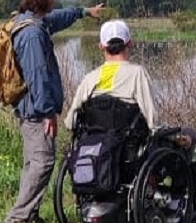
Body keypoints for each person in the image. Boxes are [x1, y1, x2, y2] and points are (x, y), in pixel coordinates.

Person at [3, 0, 104, 223]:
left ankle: (29, 214)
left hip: (31, 109)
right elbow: (38, 76)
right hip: (36, 111)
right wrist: (48, 112)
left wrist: (83, 12)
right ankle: (18, 218)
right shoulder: (33, 34)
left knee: (33, 163)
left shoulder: (31, 22)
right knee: (44, 161)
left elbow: (57, 18)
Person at [65, 20, 195, 151]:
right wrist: (177, 137)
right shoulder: (137, 74)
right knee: (190, 133)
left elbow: (70, 123)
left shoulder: (89, 79)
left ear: (101, 46)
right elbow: (154, 124)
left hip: (96, 150)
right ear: (130, 43)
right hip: (130, 153)